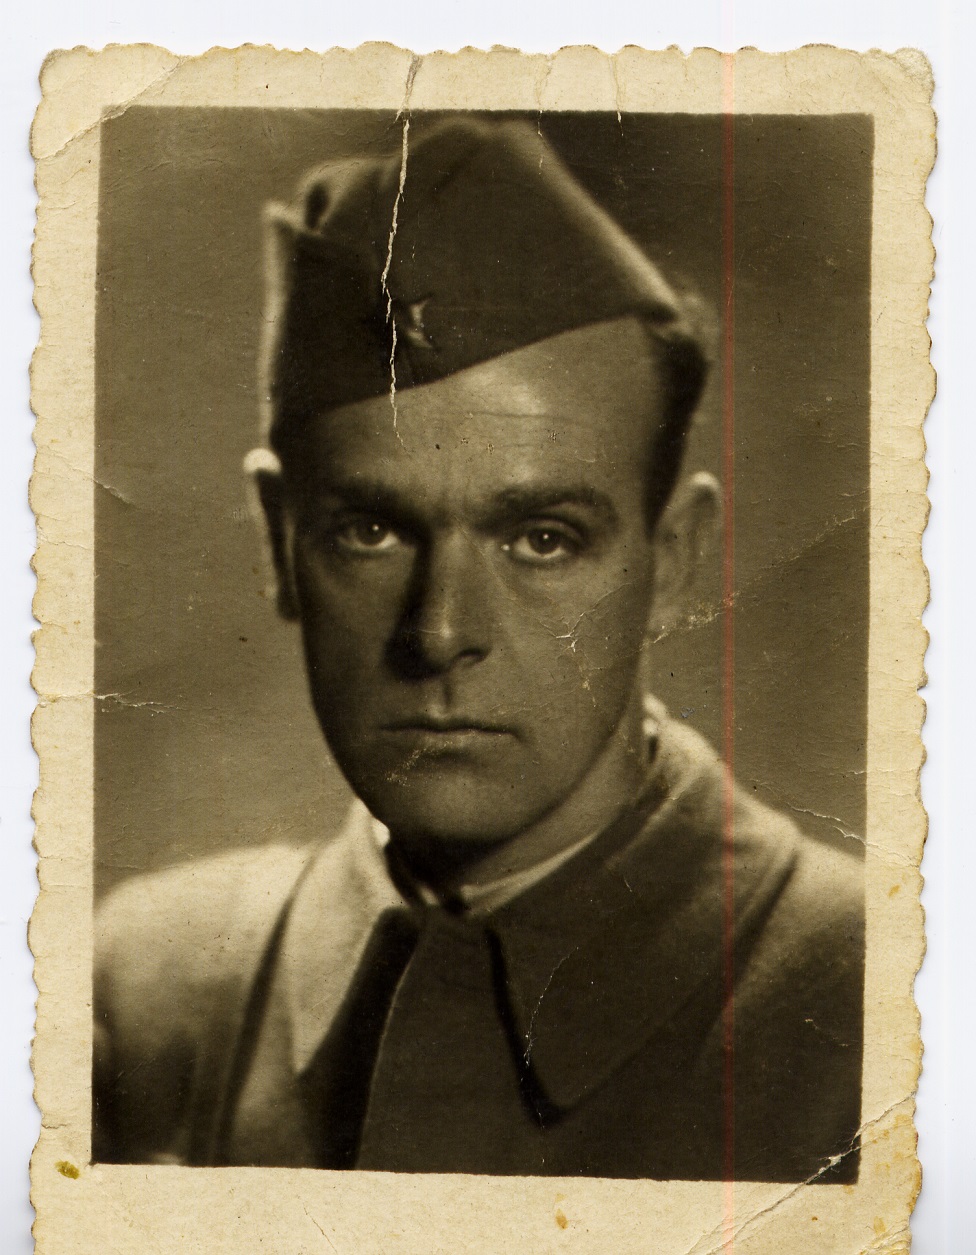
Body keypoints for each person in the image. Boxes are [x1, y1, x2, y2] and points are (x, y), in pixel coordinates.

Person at [93, 117, 863, 1180]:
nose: (442, 632)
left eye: (543, 539)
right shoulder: (143, 993)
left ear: (673, 561)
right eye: (371, 530)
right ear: (278, 541)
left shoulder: (879, 1002)